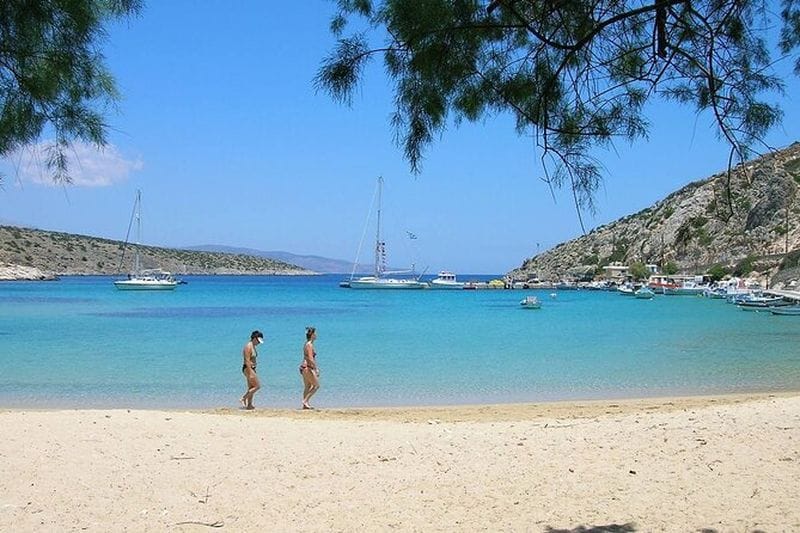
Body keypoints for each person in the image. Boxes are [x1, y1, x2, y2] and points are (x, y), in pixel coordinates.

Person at [240, 330, 264, 410]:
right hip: (248, 368)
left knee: (251, 387)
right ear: (255, 338)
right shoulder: (248, 346)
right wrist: (250, 372)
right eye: (258, 341)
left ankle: (249, 405)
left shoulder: (253, 346)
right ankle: (244, 398)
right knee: (257, 386)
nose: (259, 343)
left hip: (252, 368)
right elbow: (246, 360)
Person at [299, 326, 320, 409]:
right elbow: (311, 359)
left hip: (304, 367)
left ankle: (305, 405)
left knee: (307, 386)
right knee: (316, 386)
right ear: (312, 335)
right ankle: (305, 401)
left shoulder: (307, 344)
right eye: (315, 333)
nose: (316, 335)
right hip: (307, 367)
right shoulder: (309, 345)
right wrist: (316, 369)